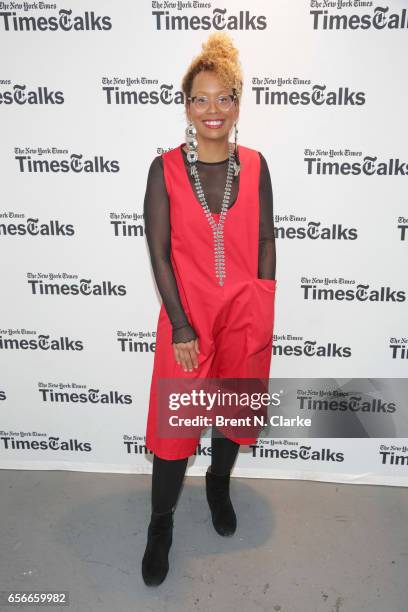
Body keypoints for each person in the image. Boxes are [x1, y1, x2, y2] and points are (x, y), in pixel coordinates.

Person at [141, 32, 277, 586]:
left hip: (245, 312)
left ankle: (219, 484)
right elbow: (158, 251)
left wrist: (263, 298)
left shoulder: (258, 164)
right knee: (177, 428)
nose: (212, 109)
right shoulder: (165, 170)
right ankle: (160, 523)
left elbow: (266, 238)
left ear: (238, 105)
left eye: (224, 97)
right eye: (201, 98)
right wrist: (179, 323)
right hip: (188, 319)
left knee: (233, 411)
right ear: (186, 106)